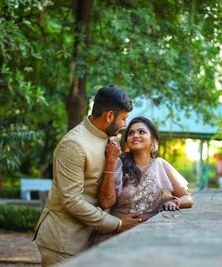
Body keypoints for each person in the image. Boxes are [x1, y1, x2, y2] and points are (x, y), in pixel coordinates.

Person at [33, 85, 142, 266]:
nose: (124, 124)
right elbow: (71, 200)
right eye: (123, 119)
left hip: (91, 240)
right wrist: (116, 224)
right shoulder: (74, 144)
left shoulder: (108, 137)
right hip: (64, 243)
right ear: (109, 116)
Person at [89, 116, 194, 246]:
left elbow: (188, 199)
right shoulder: (118, 163)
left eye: (141, 132)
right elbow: (105, 202)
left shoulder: (161, 165)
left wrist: (175, 201)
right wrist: (110, 161)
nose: (135, 135)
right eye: (131, 133)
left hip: (150, 235)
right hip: (117, 235)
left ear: (153, 140)